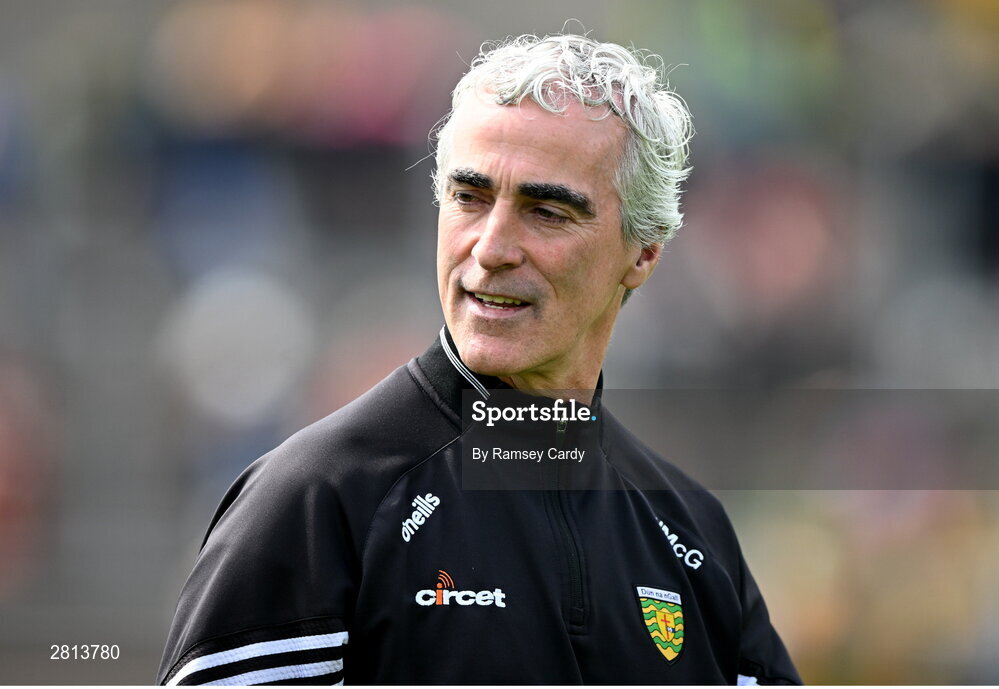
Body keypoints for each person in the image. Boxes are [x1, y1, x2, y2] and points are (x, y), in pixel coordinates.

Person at [158, 33, 801, 685]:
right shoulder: (318, 499)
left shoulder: (690, 532)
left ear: (643, 252)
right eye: (468, 198)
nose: (490, 247)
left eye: (545, 211)